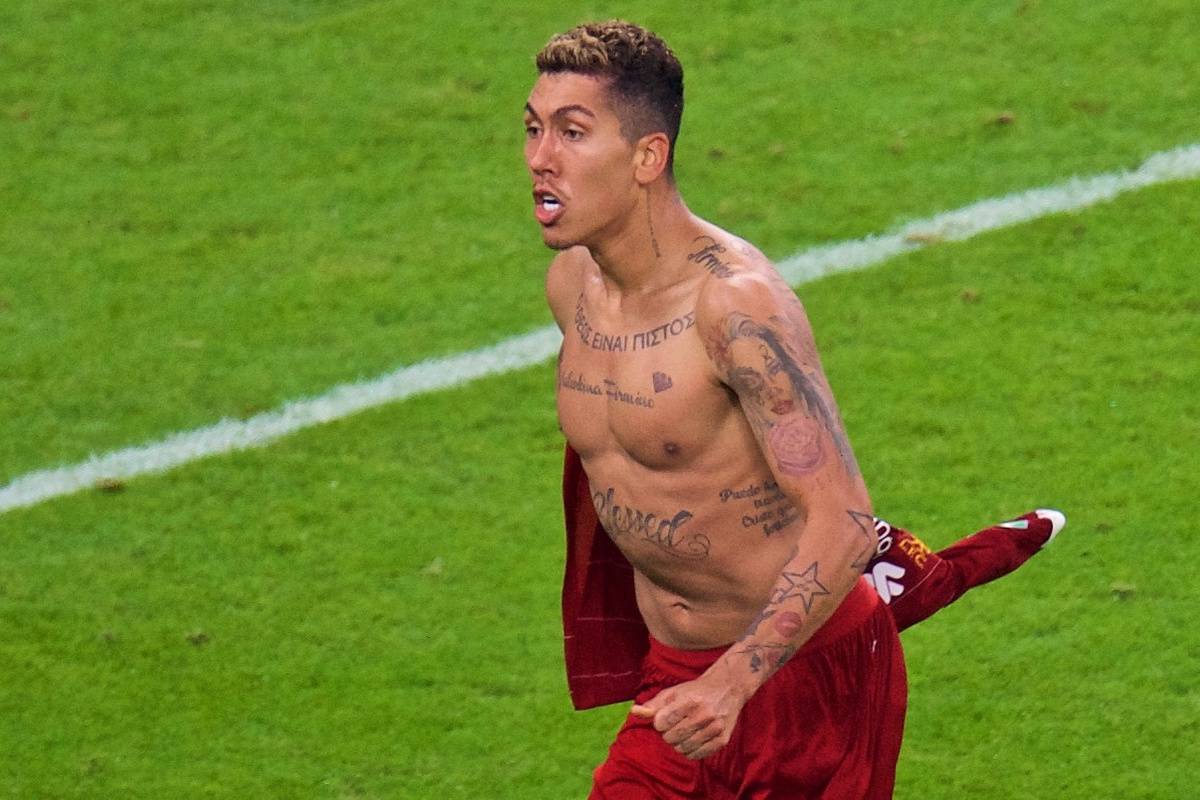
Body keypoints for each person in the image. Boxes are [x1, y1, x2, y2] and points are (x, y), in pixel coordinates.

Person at [529, 21, 1063, 798]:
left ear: (648, 155)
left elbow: (842, 519)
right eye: (534, 129)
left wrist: (732, 684)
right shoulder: (573, 287)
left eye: (573, 133)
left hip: (806, 683)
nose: (540, 158)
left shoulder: (736, 309)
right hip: (676, 679)